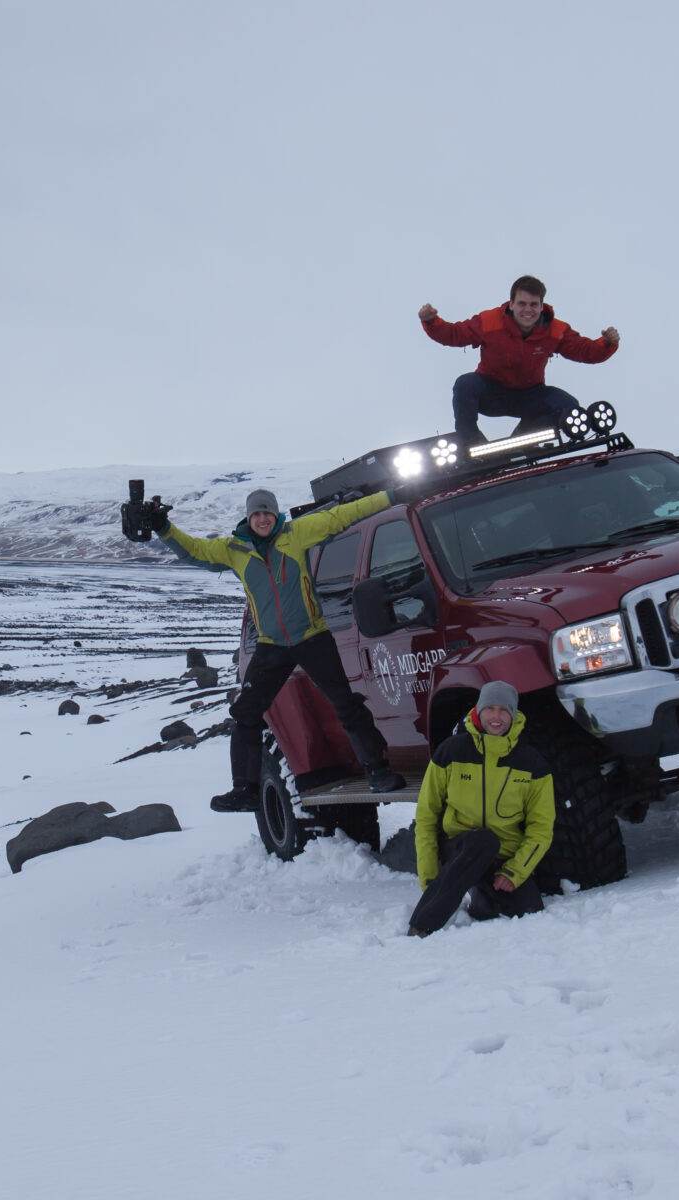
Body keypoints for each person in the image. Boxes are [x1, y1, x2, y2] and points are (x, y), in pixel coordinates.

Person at [156, 488, 407, 811]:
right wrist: (163, 528)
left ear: (276, 516)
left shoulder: (297, 534)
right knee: (245, 713)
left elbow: (341, 516)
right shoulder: (234, 550)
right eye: (257, 514)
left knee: (345, 704)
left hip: (312, 637)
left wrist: (390, 496)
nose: (262, 519)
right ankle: (245, 790)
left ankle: (378, 771)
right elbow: (193, 551)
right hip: (271, 645)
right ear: (249, 518)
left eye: (267, 513)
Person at [408, 682, 555, 936]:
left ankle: (481, 899)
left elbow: (541, 828)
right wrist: (430, 875)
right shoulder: (451, 752)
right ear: (478, 712)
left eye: (503, 711)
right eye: (489, 709)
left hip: (502, 857)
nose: (496, 718)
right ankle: (423, 924)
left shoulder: (532, 763)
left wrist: (514, 872)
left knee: (529, 908)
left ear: (513, 715)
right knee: (483, 840)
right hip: (458, 849)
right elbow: (426, 815)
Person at [420, 275, 619, 444]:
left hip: (530, 396)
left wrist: (606, 343)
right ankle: (472, 444)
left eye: (534, 305)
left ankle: (524, 440)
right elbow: (454, 334)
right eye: (522, 304)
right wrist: (431, 321)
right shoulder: (490, 322)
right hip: (491, 393)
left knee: (568, 405)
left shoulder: (555, 331)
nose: (528, 310)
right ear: (511, 304)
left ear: (542, 306)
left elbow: (584, 351)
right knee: (464, 384)